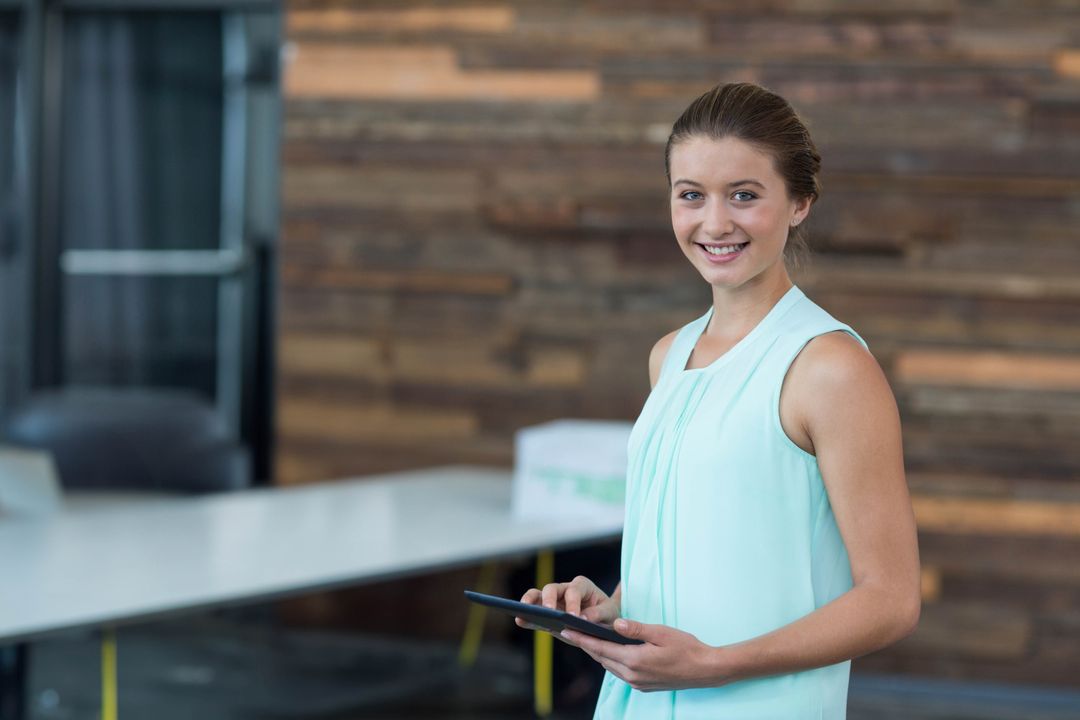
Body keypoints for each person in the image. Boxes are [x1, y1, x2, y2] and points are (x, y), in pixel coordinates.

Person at [516, 82, 921, 719]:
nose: (714, 223)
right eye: (691, 195)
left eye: (744, 195)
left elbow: (891, 600)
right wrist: (611, 608)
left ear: (800, 203)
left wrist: (714, 665)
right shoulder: (669, 357)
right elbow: (696, 548)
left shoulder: (829, 368)